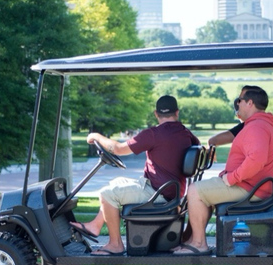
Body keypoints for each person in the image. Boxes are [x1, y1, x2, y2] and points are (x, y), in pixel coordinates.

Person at [70, 95, 200, 255]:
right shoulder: (185, 133)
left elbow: (117, 149)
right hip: (170, 190)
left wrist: (95, 136)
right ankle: (96, 225)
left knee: (106, 194)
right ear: (177, 113)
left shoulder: (154, 134)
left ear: (156, 114)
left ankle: (115, 245)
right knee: (116, 181)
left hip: (157, 192)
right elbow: (200, 149)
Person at [175, 86, 273, 255]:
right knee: (204, 191)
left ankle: (198, 244)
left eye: (239, 101)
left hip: (250, 187)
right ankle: (195, 239)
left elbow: (256, 160)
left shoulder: (257, 127)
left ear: (249, 103)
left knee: (195, 191)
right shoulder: (260, 124)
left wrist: (231, 178)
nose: (237, 105)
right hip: (254, 185)